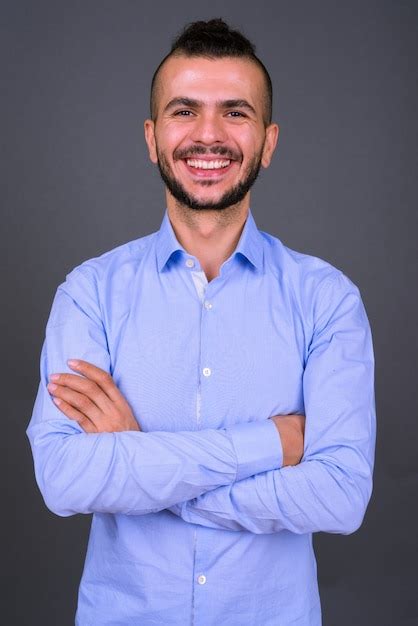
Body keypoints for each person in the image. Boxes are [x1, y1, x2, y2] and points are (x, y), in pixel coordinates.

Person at [27, 18, 376, 626]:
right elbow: (64, 479)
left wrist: (140, 463)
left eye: (235, 113)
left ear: (268, 142)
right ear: (152, 137)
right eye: (184, 110)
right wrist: (273, 443)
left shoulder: (327, 300)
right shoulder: (89, 293)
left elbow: (341, 494)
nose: (208, 135)